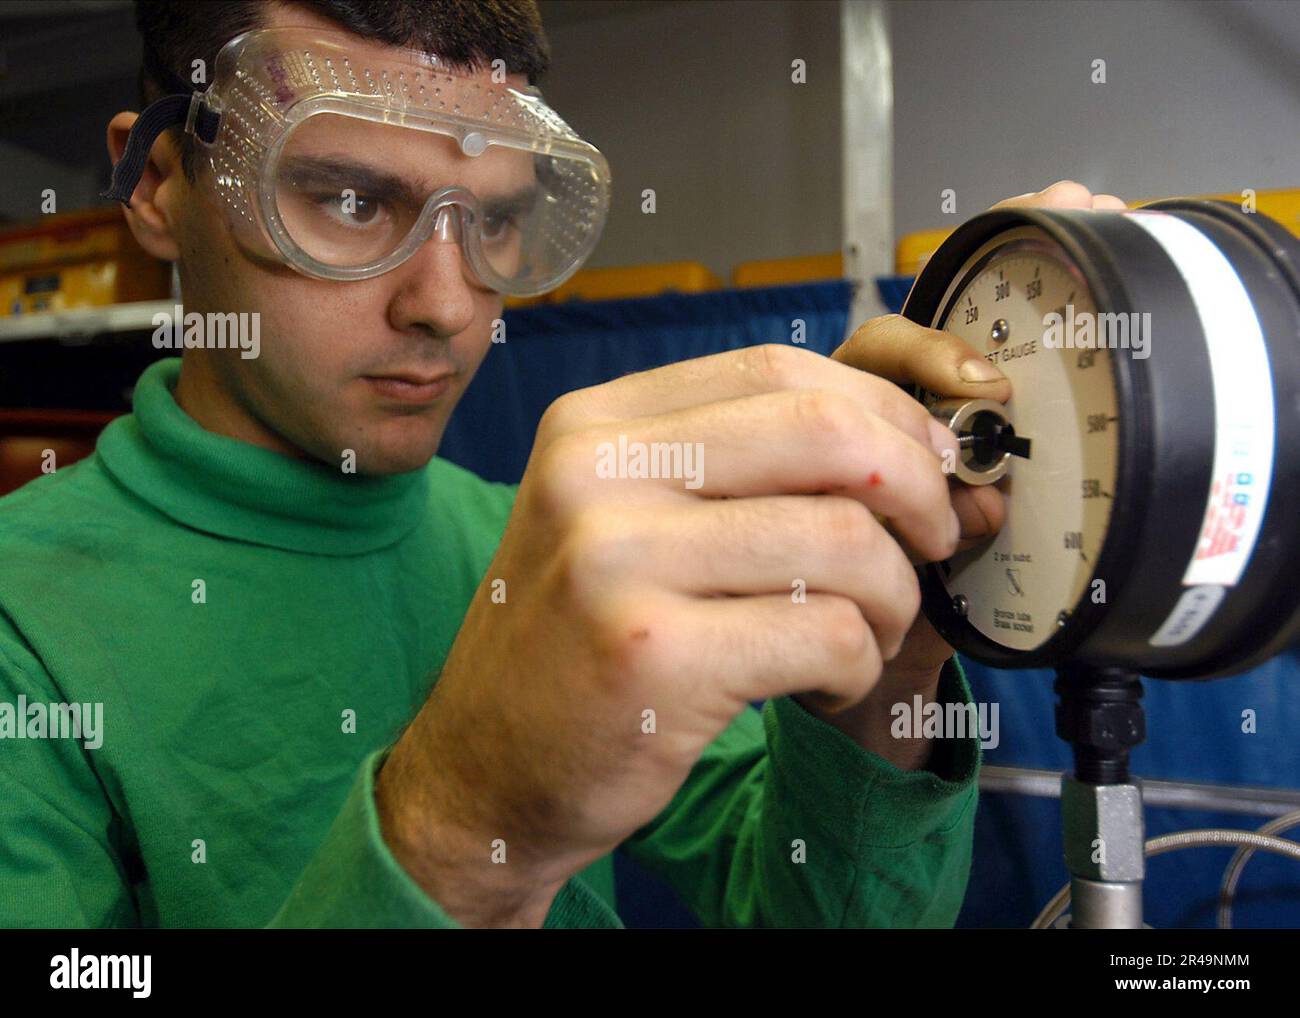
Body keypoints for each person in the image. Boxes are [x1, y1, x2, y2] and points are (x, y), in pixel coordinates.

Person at [0, 0, 1126, 928]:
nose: (447, 305)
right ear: (156, 182)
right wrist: (456, 831)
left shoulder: (539, 541)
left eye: (492, 221)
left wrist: (892, 660)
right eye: (347, 200)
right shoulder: (27, 623)